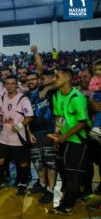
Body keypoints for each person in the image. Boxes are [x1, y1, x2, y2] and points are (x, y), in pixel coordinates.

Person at [51, 69, 91, 215]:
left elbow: (82, 123)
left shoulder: (77, 97)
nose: (54, 79)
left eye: (57, 77)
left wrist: (64, 136)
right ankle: (75, 195)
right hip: (64, 139)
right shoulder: (57, 95)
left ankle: (67, 206)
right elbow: (59, 117)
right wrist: (57, 133)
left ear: (67, 79)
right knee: (63, 170)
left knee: (72, 175)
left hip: (77, 141)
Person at [0, 75, 33, 195]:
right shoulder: (3, 98)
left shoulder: (23, 99)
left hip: (18, 137)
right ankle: (3, 179)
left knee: (22, 162)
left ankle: (23, 183)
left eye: (12, 84)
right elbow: (1, 113)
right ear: (5, 85)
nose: (10, 86)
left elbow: (29, 116)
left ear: (17, 85)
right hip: (4, 136)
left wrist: (19, 126)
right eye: (8, 84)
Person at [26, 71, 57, 204]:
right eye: (28, 80)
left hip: (49, 132)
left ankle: (50, 191)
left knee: (51, 164)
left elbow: (60, 83)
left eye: (33, 79)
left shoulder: (48, 92)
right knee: (38, 164)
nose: (30, 82)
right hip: (34, 135)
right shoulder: (25, 97)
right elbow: (25, 116)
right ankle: (43, 187)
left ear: (39, 80)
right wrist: (28, 133)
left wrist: (48, 87)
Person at [88, 59, 101, 138]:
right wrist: (99, 87)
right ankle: (96, 128)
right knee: (99, 111)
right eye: (95, 70)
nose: (97, 71)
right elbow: (90, 88)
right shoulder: (94, 78)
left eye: (99, 69)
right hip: (98, 95)